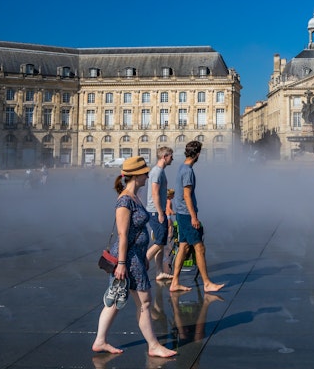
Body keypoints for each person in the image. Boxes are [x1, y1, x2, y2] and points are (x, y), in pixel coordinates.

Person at [92, 156, 177, 358]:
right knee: (144, 301)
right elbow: (122, 235)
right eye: (145, 173)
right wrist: (122, 263)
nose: (148, 176)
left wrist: (142, 255)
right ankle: (153, 345)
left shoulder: (134, 197)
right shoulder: (124, 201)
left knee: (115, 298)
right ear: (136, 175)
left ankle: (100, 341)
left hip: (135, 255)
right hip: (127, 257)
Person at [170, 140, 224, 294]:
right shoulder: (188, 171)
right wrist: (194, 217)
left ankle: (174, 282)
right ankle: (207, 283)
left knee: (183, 247)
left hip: (181, 213)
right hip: (187, 214)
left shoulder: (182, 167)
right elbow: (187, 195)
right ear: (198, 154)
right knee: (199, 247)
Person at [145, 147, 174, 281]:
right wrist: (160, 212)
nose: (172, 159)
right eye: (171, 156)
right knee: (160, 241)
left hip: (157, 210)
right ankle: (142, 264)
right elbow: (155, 193)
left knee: (161, 244)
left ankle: (159, 272)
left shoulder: (160, 171)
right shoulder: (157, 172)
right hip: (156, 211)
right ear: (164, 156)